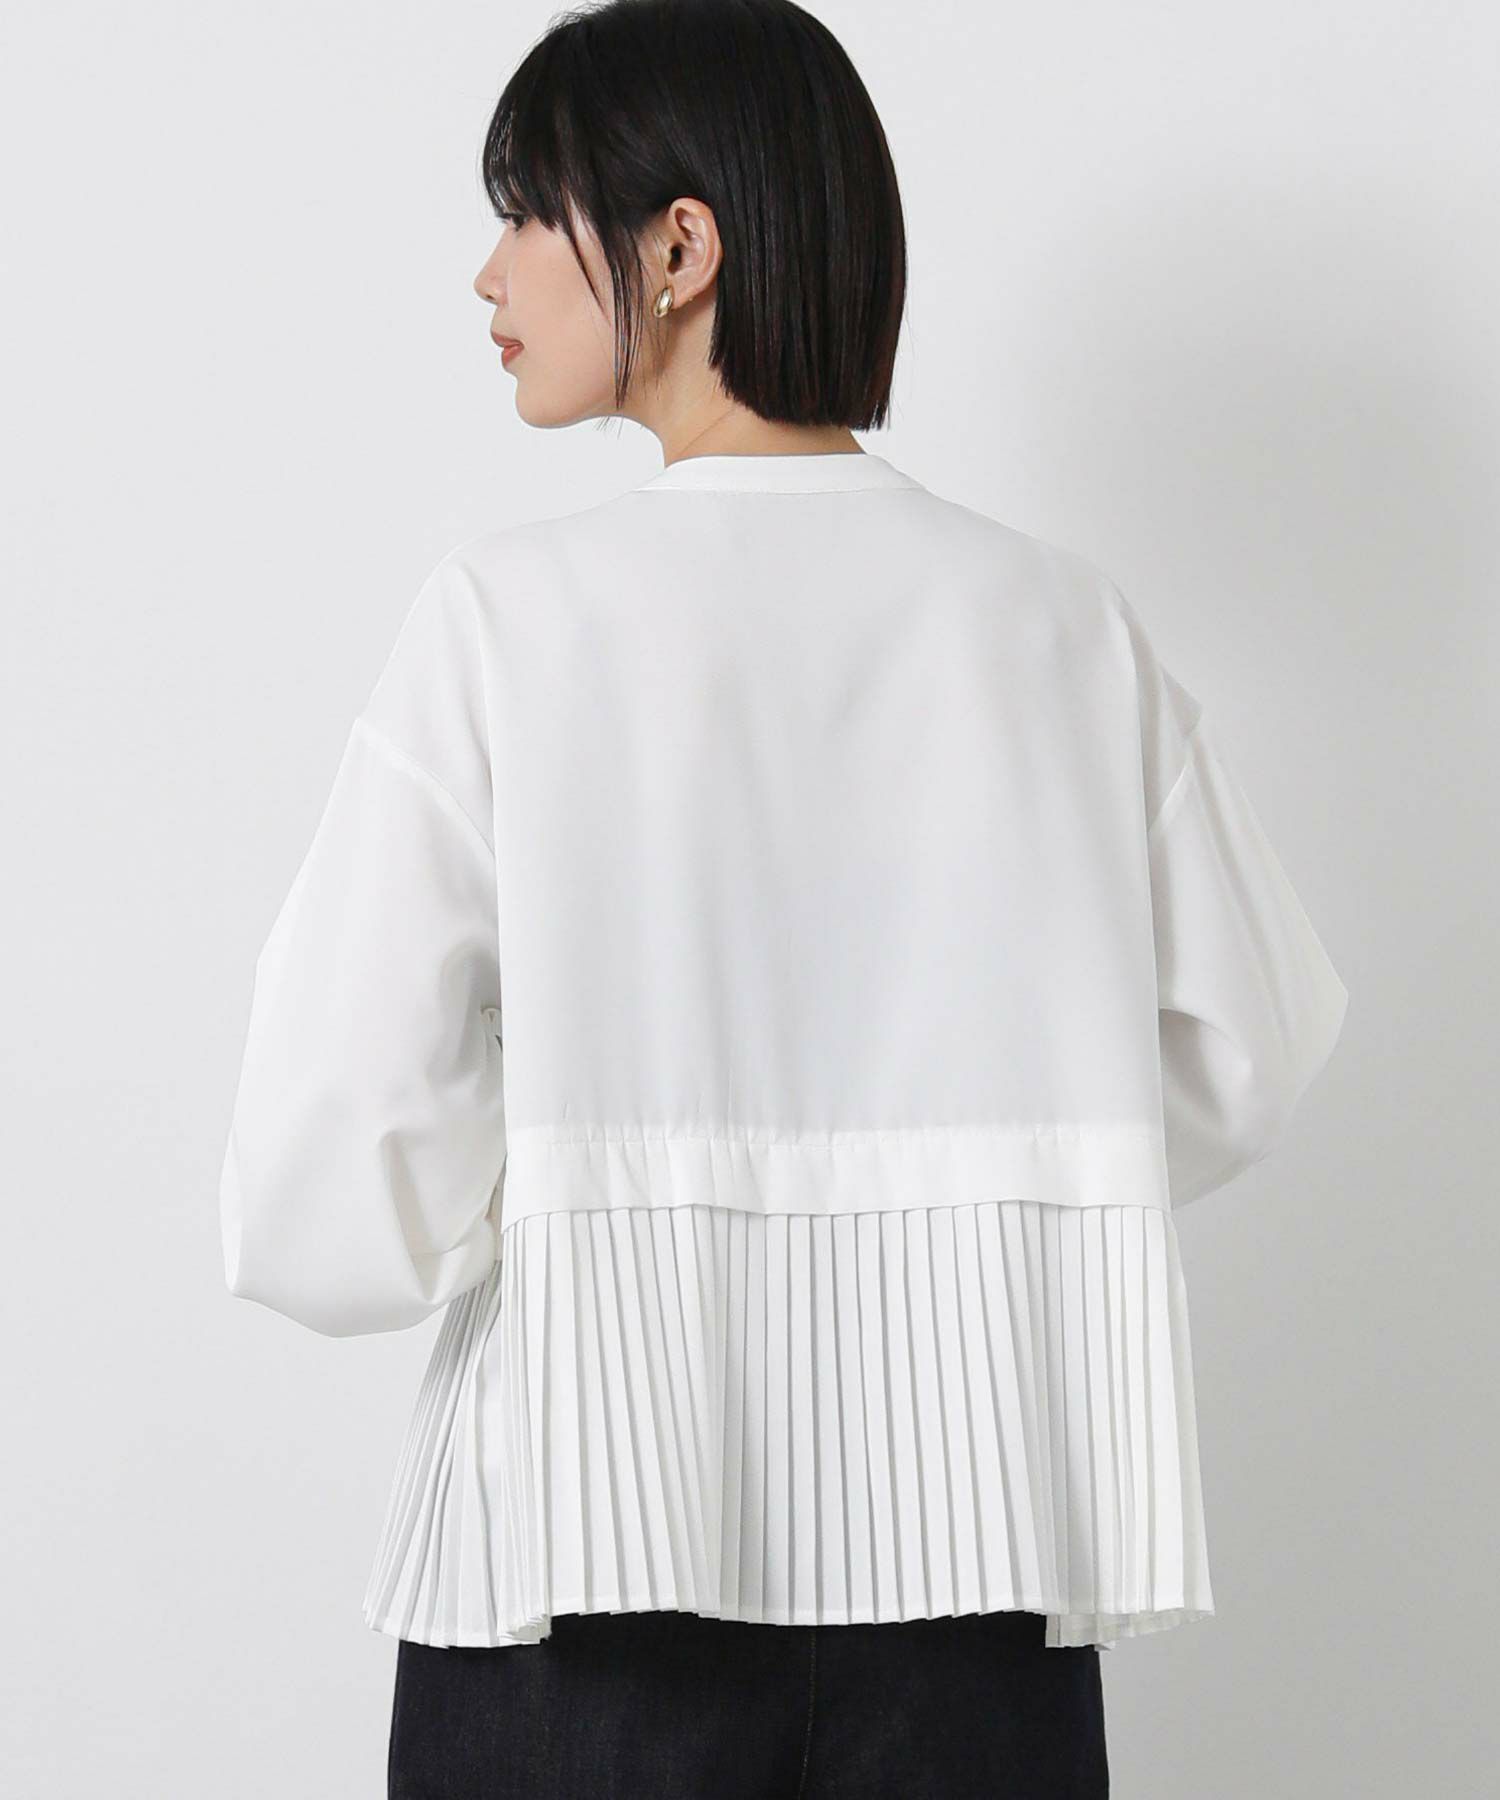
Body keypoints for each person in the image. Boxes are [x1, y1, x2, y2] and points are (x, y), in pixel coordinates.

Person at [216, 1, 1349, 1794]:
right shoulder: (1059, 627)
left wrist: (577, 1174)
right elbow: (1248, 1049)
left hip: (572, 1570)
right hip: (978, 1581)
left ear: (681, 248)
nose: (490, 270)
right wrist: (968, 1180)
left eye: (528, 210)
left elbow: (322, 1179)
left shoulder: (507, 621)